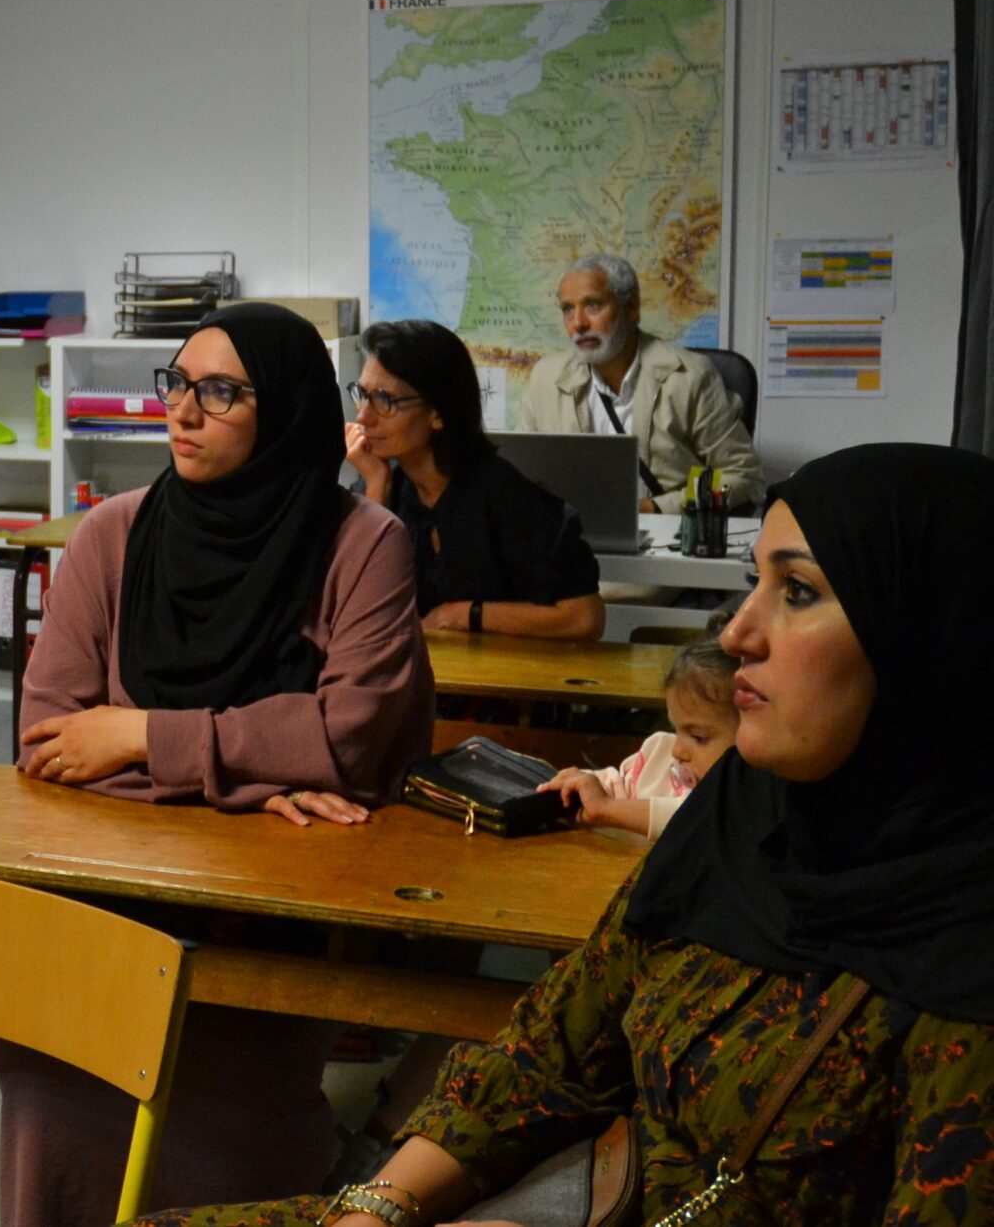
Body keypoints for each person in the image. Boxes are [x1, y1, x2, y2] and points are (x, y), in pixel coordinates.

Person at [138, 443, 994, 1227]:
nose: (736, 634)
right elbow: (550, 1052)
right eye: (755, 583)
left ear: (925, 641)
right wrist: (379, 1209)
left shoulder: (966, 954)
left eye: (797, 592)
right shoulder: (746, 810)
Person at [6, 304, 436, 1220]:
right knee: (54, 1089)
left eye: (221, 392)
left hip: (261, 913)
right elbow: (48, 740)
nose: (182, 412)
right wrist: (258, 771)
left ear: (281, 411)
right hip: (104, 901)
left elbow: (352, 739)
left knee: (224, 1140)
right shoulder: (110, 537)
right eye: (178, 382)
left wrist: (135, 737)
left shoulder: (365, 545)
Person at [345, 319, 605, 639]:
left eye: (385, 400)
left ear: (438, 413)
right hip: (413, 682)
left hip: (496, 681)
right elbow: (349, 611)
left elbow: (584, 618)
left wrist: (462, 615)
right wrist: (375, 488)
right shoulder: (380, 485)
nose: (363, 416)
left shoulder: (502, 494)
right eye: (362, 395)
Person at [517, 254, 763, 513]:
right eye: (568, 309)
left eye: (593, 305)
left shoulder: (690, 376)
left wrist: (656, 508)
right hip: (571, 538)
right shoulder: (546, 379)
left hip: (664, 538)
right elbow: (521, 477)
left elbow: (744, 476)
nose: (578, 323)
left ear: (631, 307)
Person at [540, 631, 736, 840]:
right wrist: (584, 785)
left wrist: (607, 808)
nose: (677, 751)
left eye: (699, 737)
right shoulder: (657, 757)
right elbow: (617, 787)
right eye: (675, 729)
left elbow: (700, 819)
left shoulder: (745, 797)